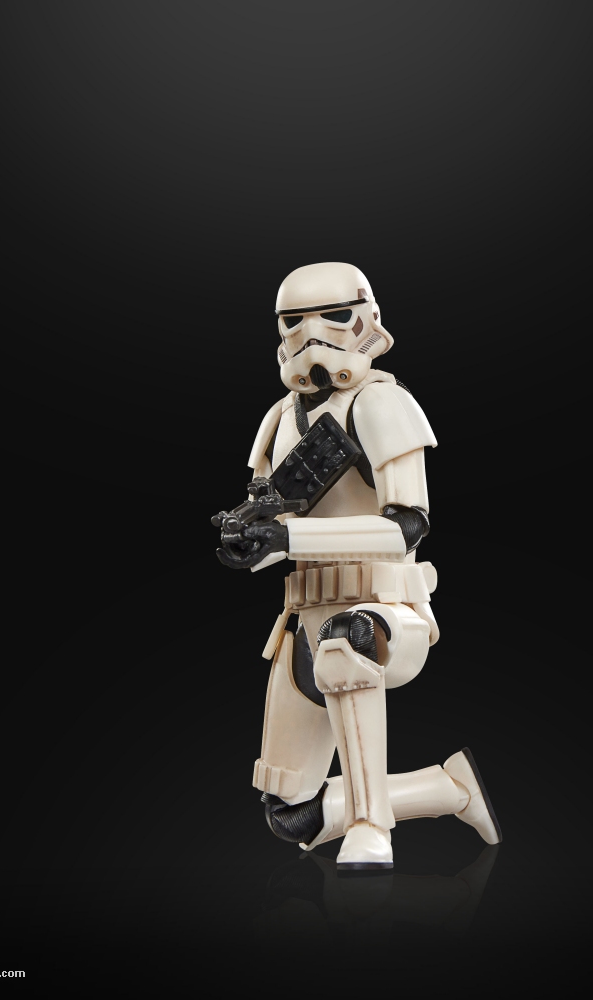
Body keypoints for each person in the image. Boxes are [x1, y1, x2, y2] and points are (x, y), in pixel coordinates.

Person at [215, 262, 501, 869]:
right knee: (291, 815)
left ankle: (372, 827)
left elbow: (407, 526)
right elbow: (271, 522)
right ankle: (449, 789)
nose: (311, 333)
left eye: (333, 316)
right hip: (302, 616)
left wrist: (287, 536)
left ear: (367, 320)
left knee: (345, 642)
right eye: (294, 321)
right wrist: (254, 541)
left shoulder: (381, 403)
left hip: (385, 610)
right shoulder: (279, 419)